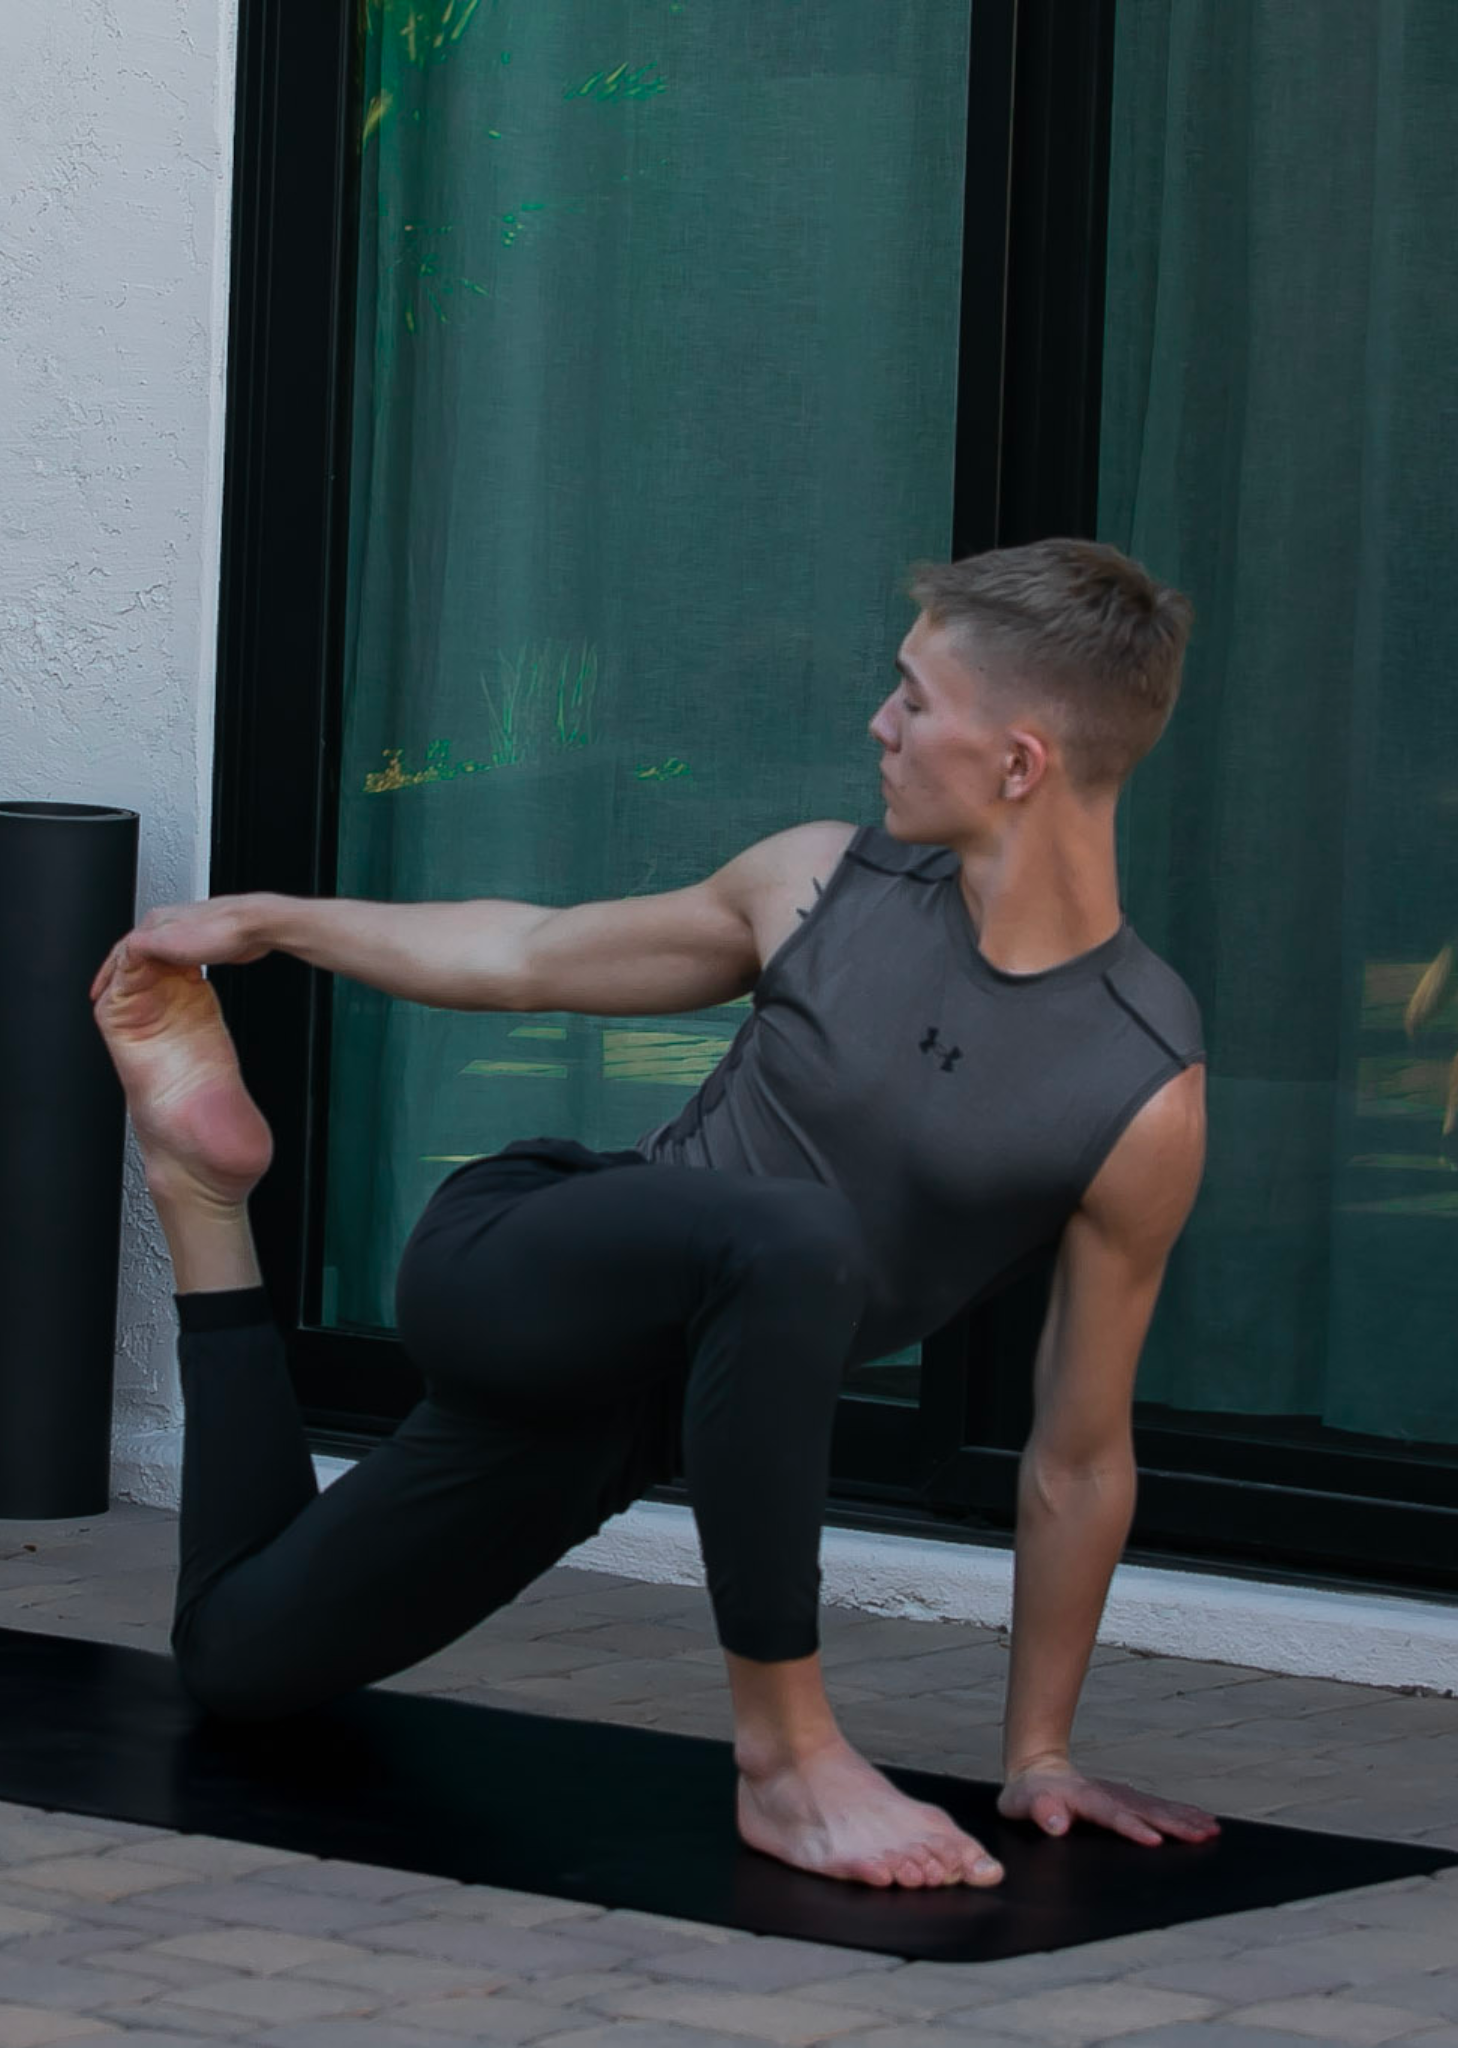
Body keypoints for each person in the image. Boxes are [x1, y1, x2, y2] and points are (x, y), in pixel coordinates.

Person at [89, 536, 1223, 1891]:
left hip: (605, 1418)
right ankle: (788, 1757)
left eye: (916, 699)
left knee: (242, 1663)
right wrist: (276, 921)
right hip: (522, 1254)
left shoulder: (1139, 1088)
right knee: (800, 1237)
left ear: (1020, 762)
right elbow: (526, 954)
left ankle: (203, 1195)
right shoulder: (817, 884)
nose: (882, 721)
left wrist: (1038, 1756)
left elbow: (1078, 1455)